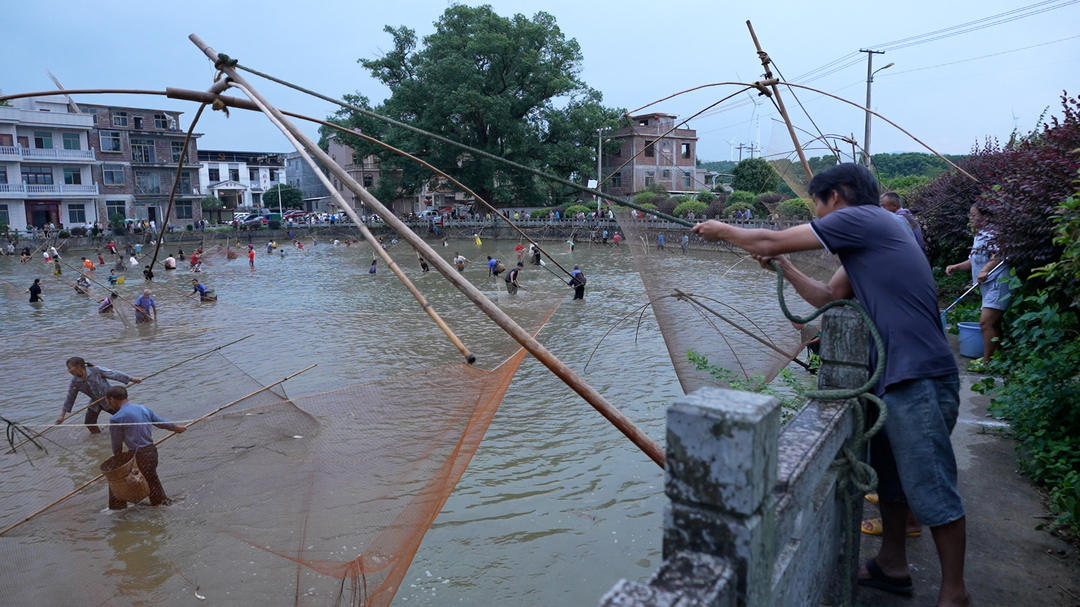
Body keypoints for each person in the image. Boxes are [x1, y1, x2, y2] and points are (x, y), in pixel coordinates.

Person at [692, 163, 968, 607]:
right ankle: (893, 566)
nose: (819, 217)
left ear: (836, 197)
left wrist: (723, 230)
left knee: (932, 484)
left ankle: (955, 594)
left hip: (917, 374)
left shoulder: (866, 217)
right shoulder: (870, 239)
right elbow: (828, 296)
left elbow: (764, 237)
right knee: (894, 481)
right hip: (895, 376)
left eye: (817, 206)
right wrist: (781, 266)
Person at [945, 201, 1013, 369]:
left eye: (974, 215)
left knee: (986, 323)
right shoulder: (980, 235)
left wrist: (986, 270)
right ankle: (998, 357)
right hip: (986, 285)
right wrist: (957, 267)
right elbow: (974, 260)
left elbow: (1000, 254)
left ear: (987, 217)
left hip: (998, 283)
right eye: (970, 215)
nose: (970, 218)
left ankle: (987, 362)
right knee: (993, 323)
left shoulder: (994, 234)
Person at [104, 385, 186, 510]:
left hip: (140, 455)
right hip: (151, 452)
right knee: (152, 481)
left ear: (112, 399)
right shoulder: (143, 408)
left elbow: (116, 444)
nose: (109, 405)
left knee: (116, 481)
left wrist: (118, 461)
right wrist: (176, 428)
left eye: (108, 402)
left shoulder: (116, 418)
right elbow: (160, 422)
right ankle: (161, 505)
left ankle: (117, 511)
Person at [58, 357, 141, 434]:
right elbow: (70, 398)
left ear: (79, 366)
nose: (69, 371)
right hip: (95, 402)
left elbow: (113, 374)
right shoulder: (75, 382)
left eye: (70, 368)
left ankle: (138, 430)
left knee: (127, 418)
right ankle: (98, 437)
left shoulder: (95, 370)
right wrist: (62, 416)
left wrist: (132, 379)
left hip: (110, 400)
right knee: (89, 423)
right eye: (68, 369)